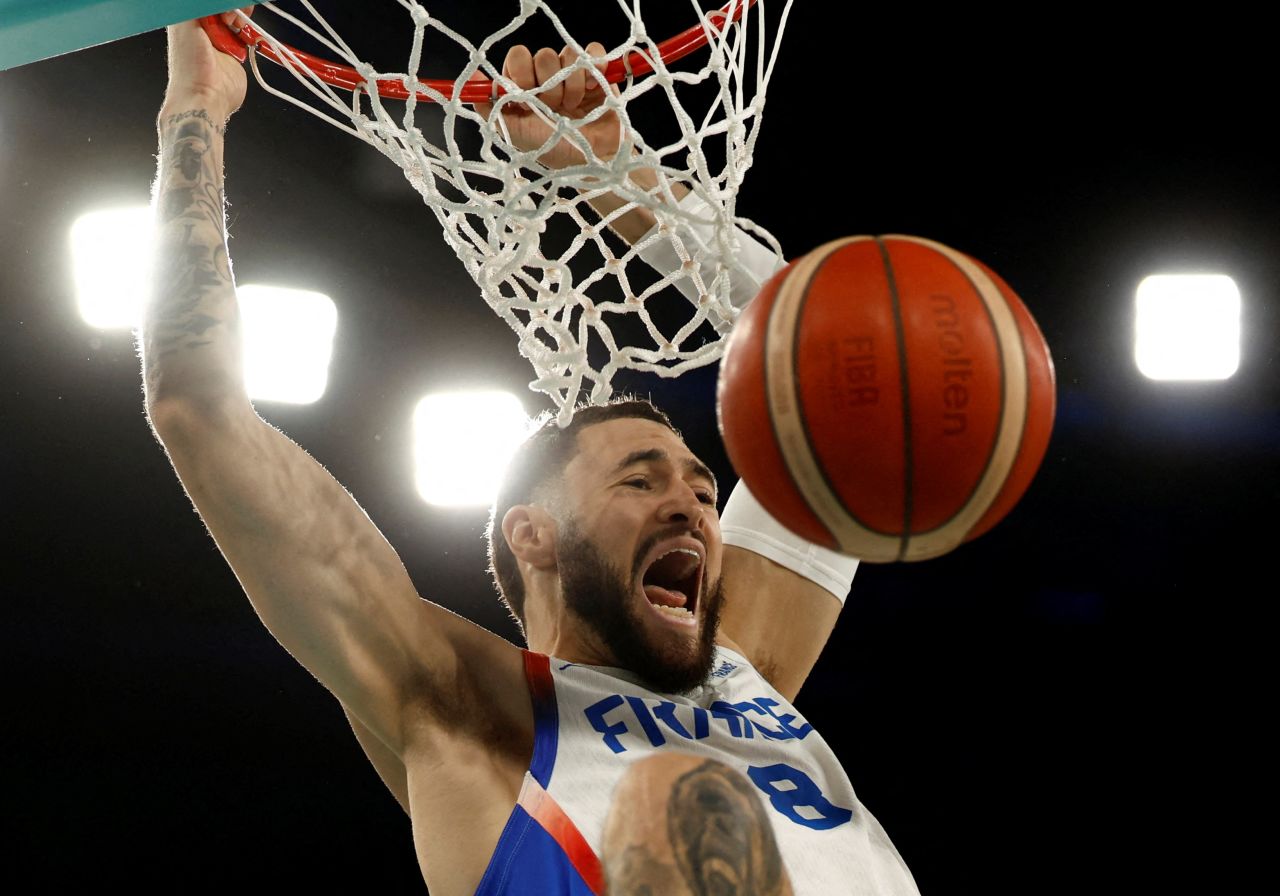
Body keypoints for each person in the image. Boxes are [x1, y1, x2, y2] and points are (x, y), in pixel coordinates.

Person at [144, 12, 920, 895]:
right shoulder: (462, 707)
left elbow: (848, 374)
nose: (696, 506)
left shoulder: (742, 670)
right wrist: (195, 114)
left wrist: (611, 172)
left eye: (704, 491)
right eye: (641, 478)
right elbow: (197, 405)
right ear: (534, 535)